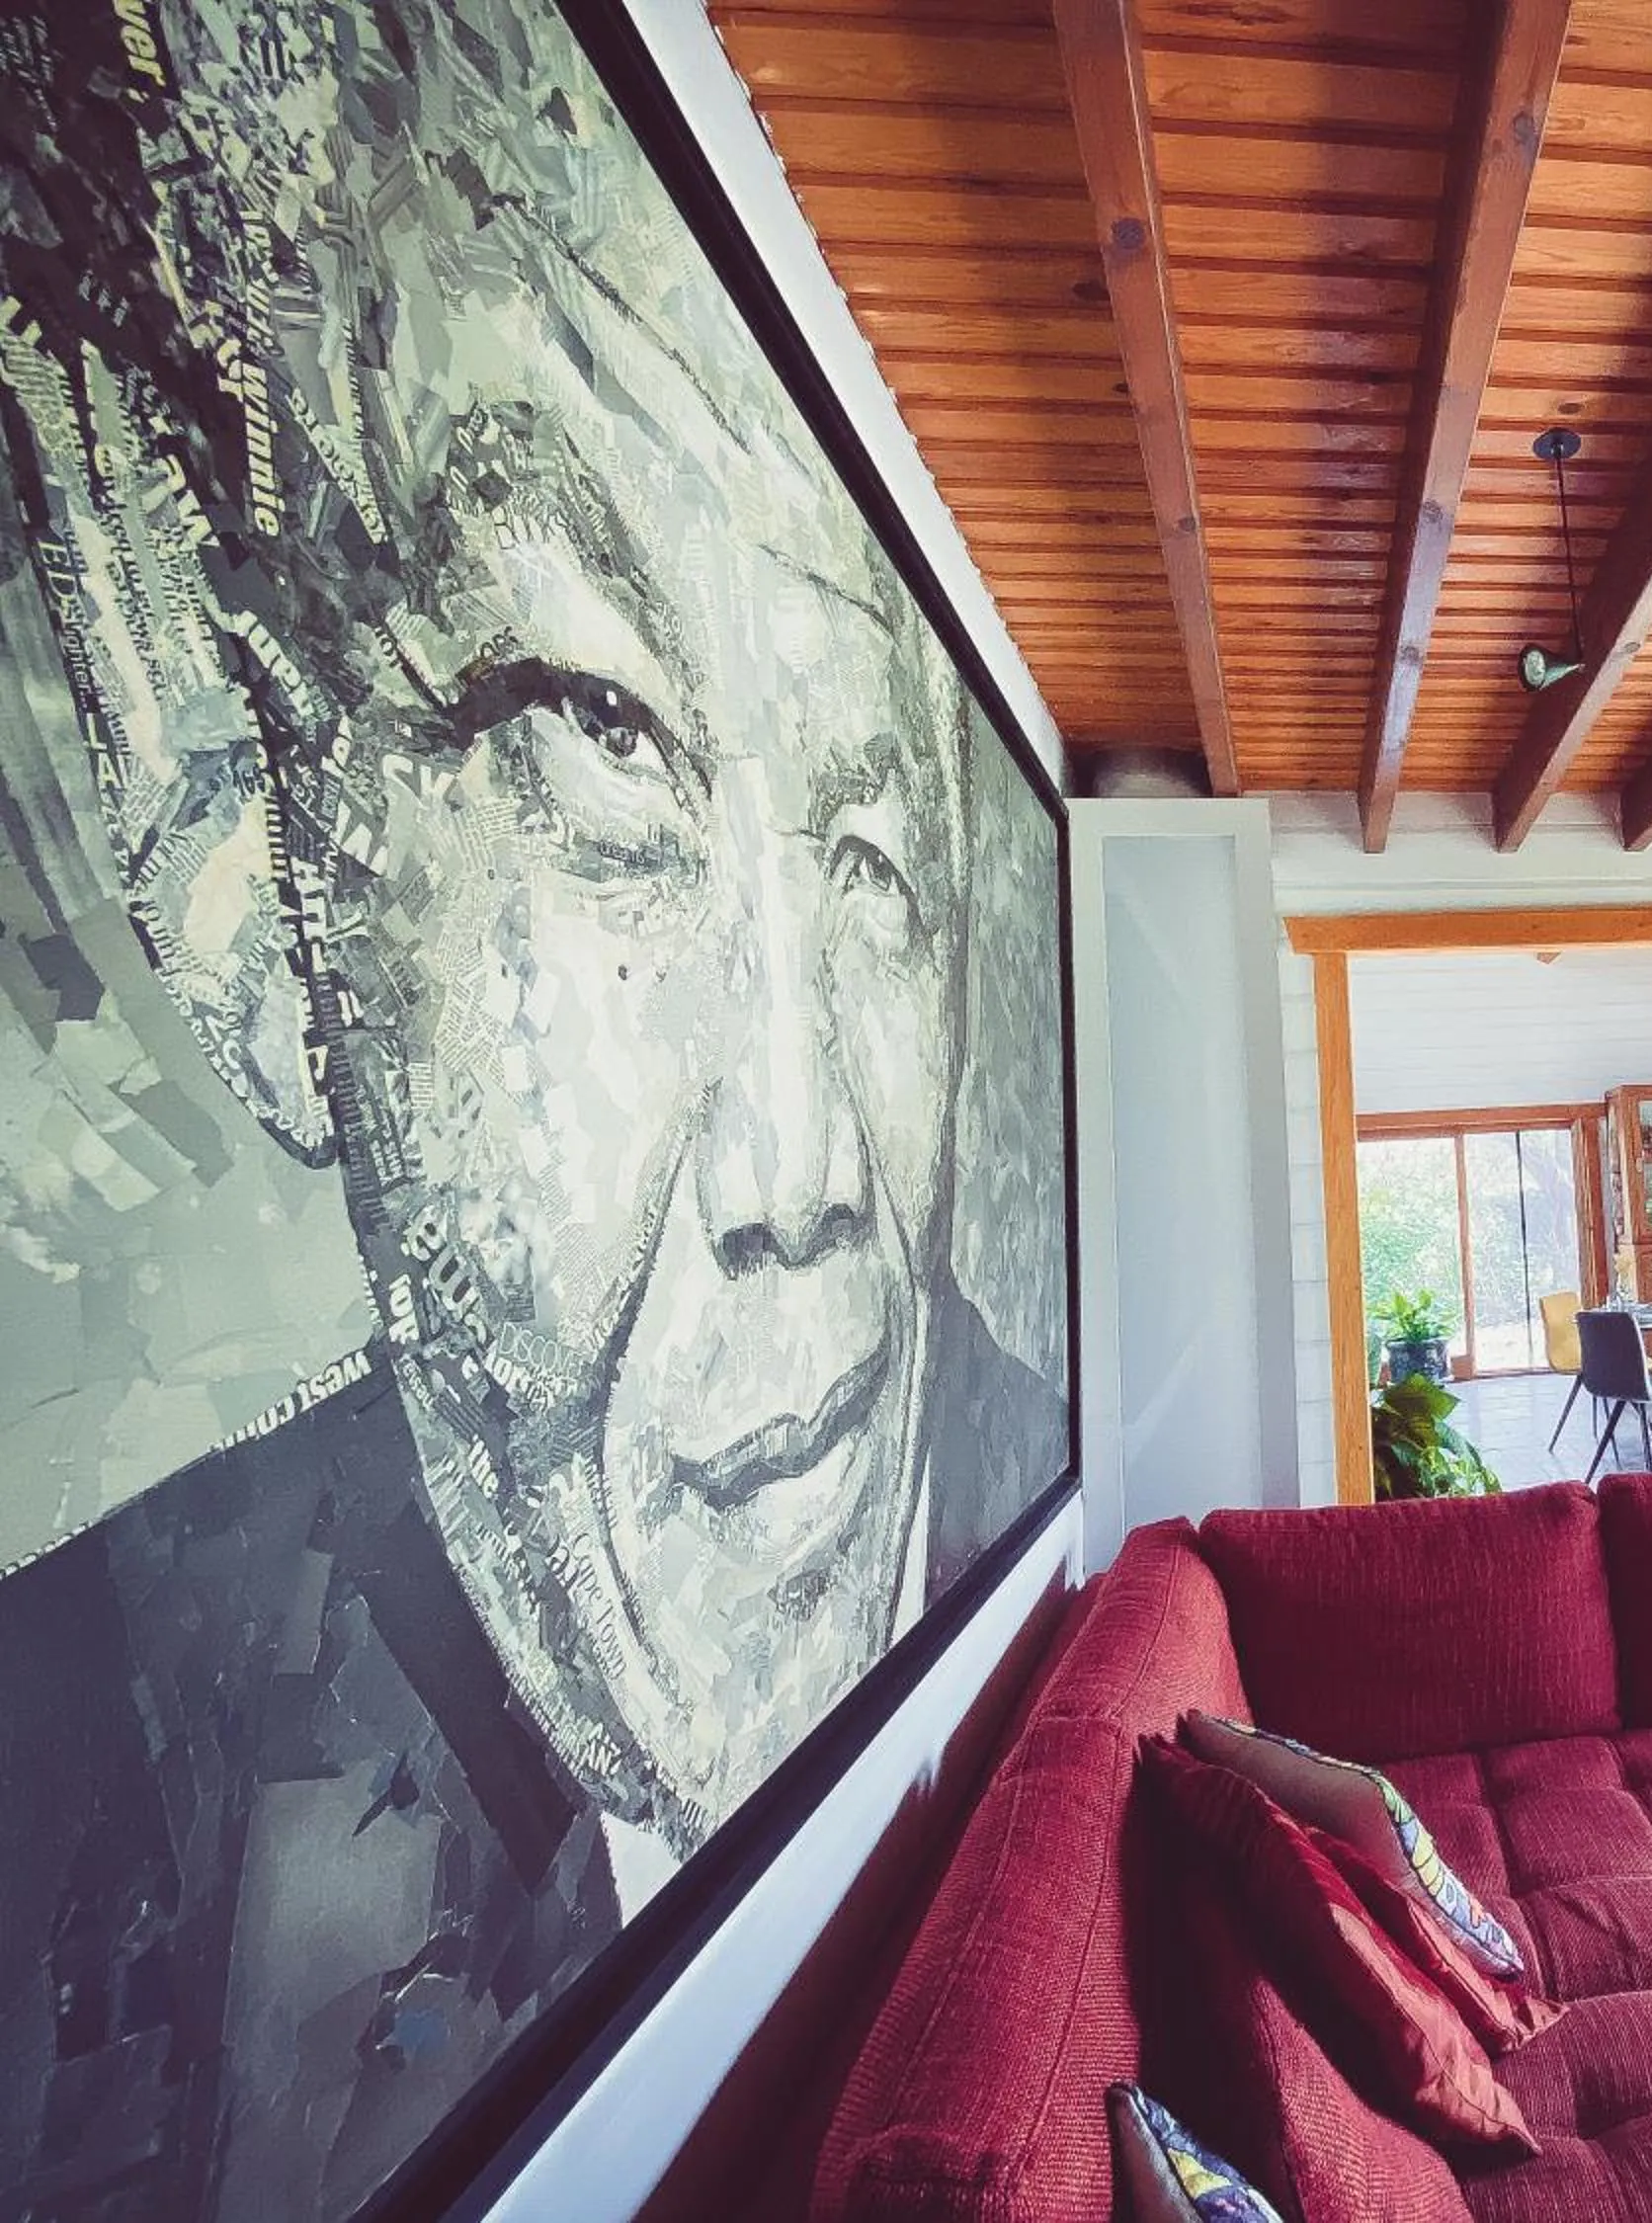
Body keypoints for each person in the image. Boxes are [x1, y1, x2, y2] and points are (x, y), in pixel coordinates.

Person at [0, 0, 1065, 2211]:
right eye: (592, 747)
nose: (802, 1168)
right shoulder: (75, 1775)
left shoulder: (1014, 1466)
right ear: (249, 857)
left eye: (874, 858)